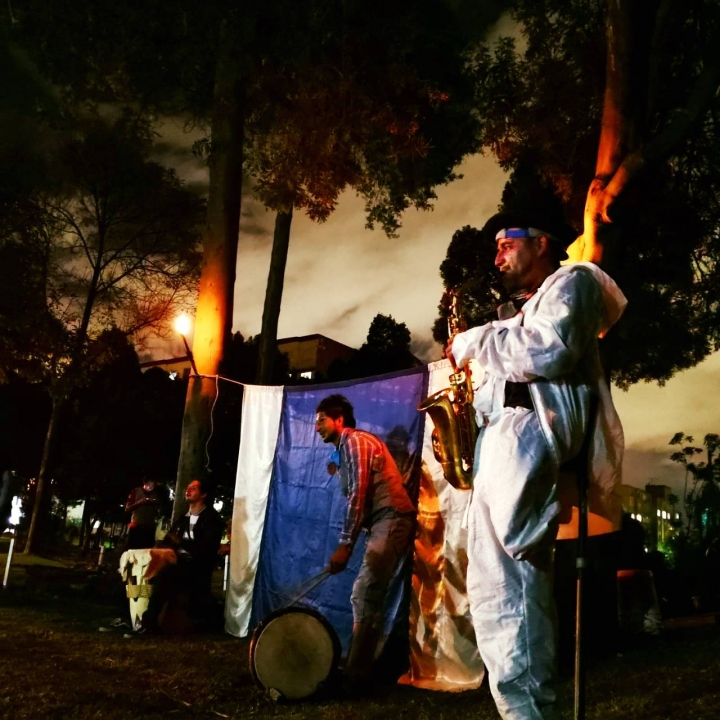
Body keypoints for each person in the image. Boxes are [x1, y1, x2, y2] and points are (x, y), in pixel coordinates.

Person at [446, 210, 626, 720]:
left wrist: (475, 340)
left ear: (543, 243)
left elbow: (551, 351)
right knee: (491, 589)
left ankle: (531, 714)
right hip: (501, 438)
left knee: (514, 585)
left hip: (527, 432)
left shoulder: (574, 281)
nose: (497, 254)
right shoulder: (518, 311)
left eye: (507, 242)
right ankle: (517, 711)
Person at [315, 394, 416, 683]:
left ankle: (358, 674)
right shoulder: (343, 449)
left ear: (339, 420)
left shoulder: (356, 442)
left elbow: (358, 495)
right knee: (365, 594)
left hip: (392, 518)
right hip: (382, 522)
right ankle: (359, 668)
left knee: (365, 591)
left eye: (321, 420)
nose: (317, 427)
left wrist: (346, 545)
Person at [136, 478, 224, 634]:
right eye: (188, 487)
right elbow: (169, 540)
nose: (188, 490)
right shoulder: (183, 519)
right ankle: (130, 614)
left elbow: (207, 548)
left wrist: (180, 547)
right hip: (176, 562)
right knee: (136, 568)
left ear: (203, 494)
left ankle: (149, 622)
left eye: (194, 488)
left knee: (166, 575)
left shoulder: (211, 519)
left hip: (195, 567)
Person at [124, 479, 161, 550]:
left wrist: (154, 503)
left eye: (153, 485)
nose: (151, 487)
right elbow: (127, 509)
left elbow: (159, 510)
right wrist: (139, 502)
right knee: (132, 550)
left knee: (147, 551)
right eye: (149, 485)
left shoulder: (155, 494)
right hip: (137, 526)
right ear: (145, 483)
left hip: (149, 528)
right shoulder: (136, 492)